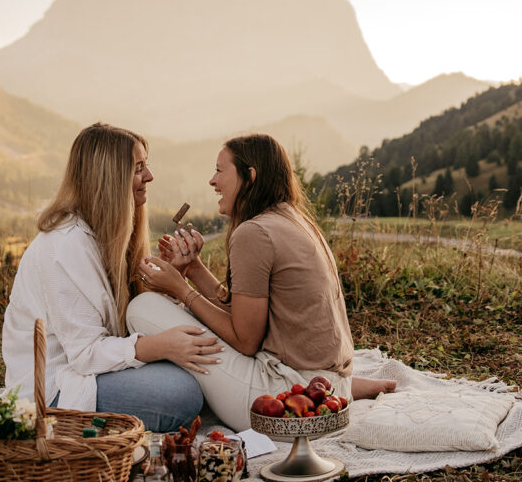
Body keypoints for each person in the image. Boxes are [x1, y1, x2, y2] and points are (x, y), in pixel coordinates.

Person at [128, 134, 394, 431]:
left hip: (284, 398)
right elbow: (245, 313)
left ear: (250, 176)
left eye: (219, 170)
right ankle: (346, 387)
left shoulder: (253, 233)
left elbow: (245, 340)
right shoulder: (293, 219)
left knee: (143, 307)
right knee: (184, 312)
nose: (212, 181)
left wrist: (180, 289)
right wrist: (192, 268)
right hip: (327, 388)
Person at [2, 123, 220, 432]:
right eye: (138, 168)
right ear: (109, 177)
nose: (149, 177)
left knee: (195, 369)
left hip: (93, 369)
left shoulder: (109, 233)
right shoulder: (64, 248)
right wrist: (161, 347)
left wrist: (175, 276)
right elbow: (84, 355)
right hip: (55, 388)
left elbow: (129, 315)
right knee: (181, 394)